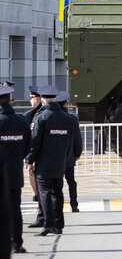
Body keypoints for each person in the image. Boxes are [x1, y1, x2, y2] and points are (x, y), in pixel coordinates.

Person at [26, 86, 83, 236]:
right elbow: (74, 140)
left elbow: (35, 142)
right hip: (62, 161)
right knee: (58, 192)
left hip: (44, 162)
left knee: (44, 192)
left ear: (43, 99)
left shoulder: (41, 117)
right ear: (56, 99)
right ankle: (59, 224)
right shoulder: (68, 118)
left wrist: (30, 161)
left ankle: (48, 223)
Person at [0, 86, 30, 254]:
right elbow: (28, 146)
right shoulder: (22, 121)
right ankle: (17, 242)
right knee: (15, 208)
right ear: (11, 101)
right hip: (15, 172)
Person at [56, 91, 81, 212]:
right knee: (71, 181)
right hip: (69, 156)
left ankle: (58, 206)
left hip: (56, 157)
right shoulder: (71, 119)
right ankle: (74, 204)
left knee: (57, 182)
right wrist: (78, 153)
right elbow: (77, 138)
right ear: (65, 104)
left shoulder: (52, 117)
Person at [22, 86, 42, 203]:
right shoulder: (28, 115)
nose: (30, 100)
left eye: (32, 98)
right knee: (30, 171)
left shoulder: (41, 113)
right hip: (31, 149)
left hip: (39, 149)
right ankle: (35, 194)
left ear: (39, 98)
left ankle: (40, 193)